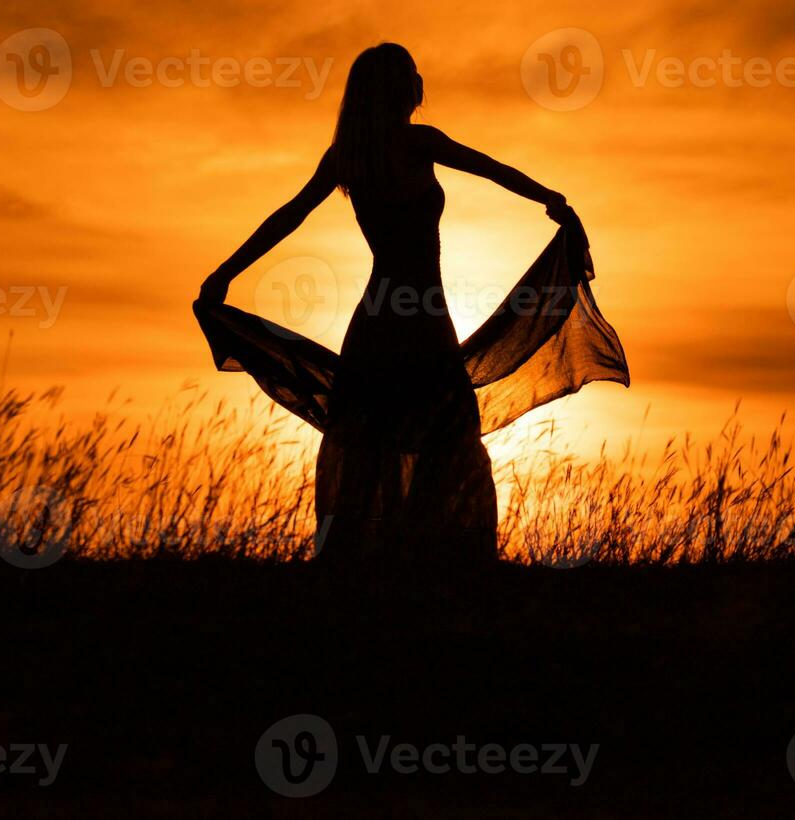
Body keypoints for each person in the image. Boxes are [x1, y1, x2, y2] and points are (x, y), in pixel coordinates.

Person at [199, 43, 581, 566]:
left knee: (372, 438)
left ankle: (374, 564)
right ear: (398, 90)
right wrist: (550, 199)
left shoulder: (349, 157)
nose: (419, 83)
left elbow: (288, 217)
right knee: (442, 432)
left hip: (379, 315)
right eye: (410, 76)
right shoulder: (414, 143)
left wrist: (225, 272)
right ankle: (427, 560)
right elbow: (491, 168)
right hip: (420, 314)